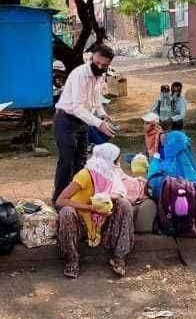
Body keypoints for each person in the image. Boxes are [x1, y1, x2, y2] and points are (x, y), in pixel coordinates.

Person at [54, 143, 135, 279]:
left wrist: (106, 197)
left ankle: (119, 257)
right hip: (81, 224)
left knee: (124, 204)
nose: (118, 163)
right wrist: (91, 208)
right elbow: (60, 201)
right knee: (66, 211)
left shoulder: (111, 175)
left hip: (102, 223)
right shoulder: (85, 176)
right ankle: (72, 260)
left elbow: (120, 193)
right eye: (116, 160)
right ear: (108, 160)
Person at [53, 44, 116, 201]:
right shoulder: (79, 74)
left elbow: (95, 101)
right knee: (66, 161)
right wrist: (98, 124)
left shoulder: (99, 76)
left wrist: (103, 115)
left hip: (83, 122)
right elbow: (76, 107)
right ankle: (58, 200)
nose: (100, 67)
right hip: (66, 120)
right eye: (98, 63)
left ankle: (75, 198)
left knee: (80, 161)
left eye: (104, 65)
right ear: (91, 57)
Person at [146, 129, 196, 200]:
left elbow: (152, 179)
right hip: (190, 204)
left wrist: (155, 160)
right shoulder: (195, 172)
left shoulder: (165, 168)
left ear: (169, 145)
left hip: (170, 204)